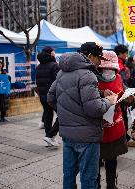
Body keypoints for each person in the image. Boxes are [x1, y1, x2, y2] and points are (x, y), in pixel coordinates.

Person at [47, 42, 117, 189]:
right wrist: (108, 101)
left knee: (69, 176)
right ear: (90, 56)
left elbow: (51, 98)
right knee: (89, 179)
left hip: (68, 135)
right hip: (87, 137)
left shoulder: (62, 72)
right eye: (98, 58)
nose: (100, 62)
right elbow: (95, 108)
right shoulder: (88, 75)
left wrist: (68, 114)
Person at [97, 50, 128, 189]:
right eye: (105, 68)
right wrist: (102, 95)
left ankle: (111, 185)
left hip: (116, 126)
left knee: (112, 160)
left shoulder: (119, 78)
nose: (109, 71)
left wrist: (130, 97)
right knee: (95, 162)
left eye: (112, 68)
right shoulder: (93, 80)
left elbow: (124, 93)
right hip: (98, 129)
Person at [36, 46, 60, 146]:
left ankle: (48, 137)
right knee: (63, 115)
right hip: (53, 96)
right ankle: (50, 136)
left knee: (47, 115)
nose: (55, 53)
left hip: (42, 95)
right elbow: (58, 81)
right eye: (54, 51)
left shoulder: (38, 67)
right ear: (50, 53)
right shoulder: (54, 66)